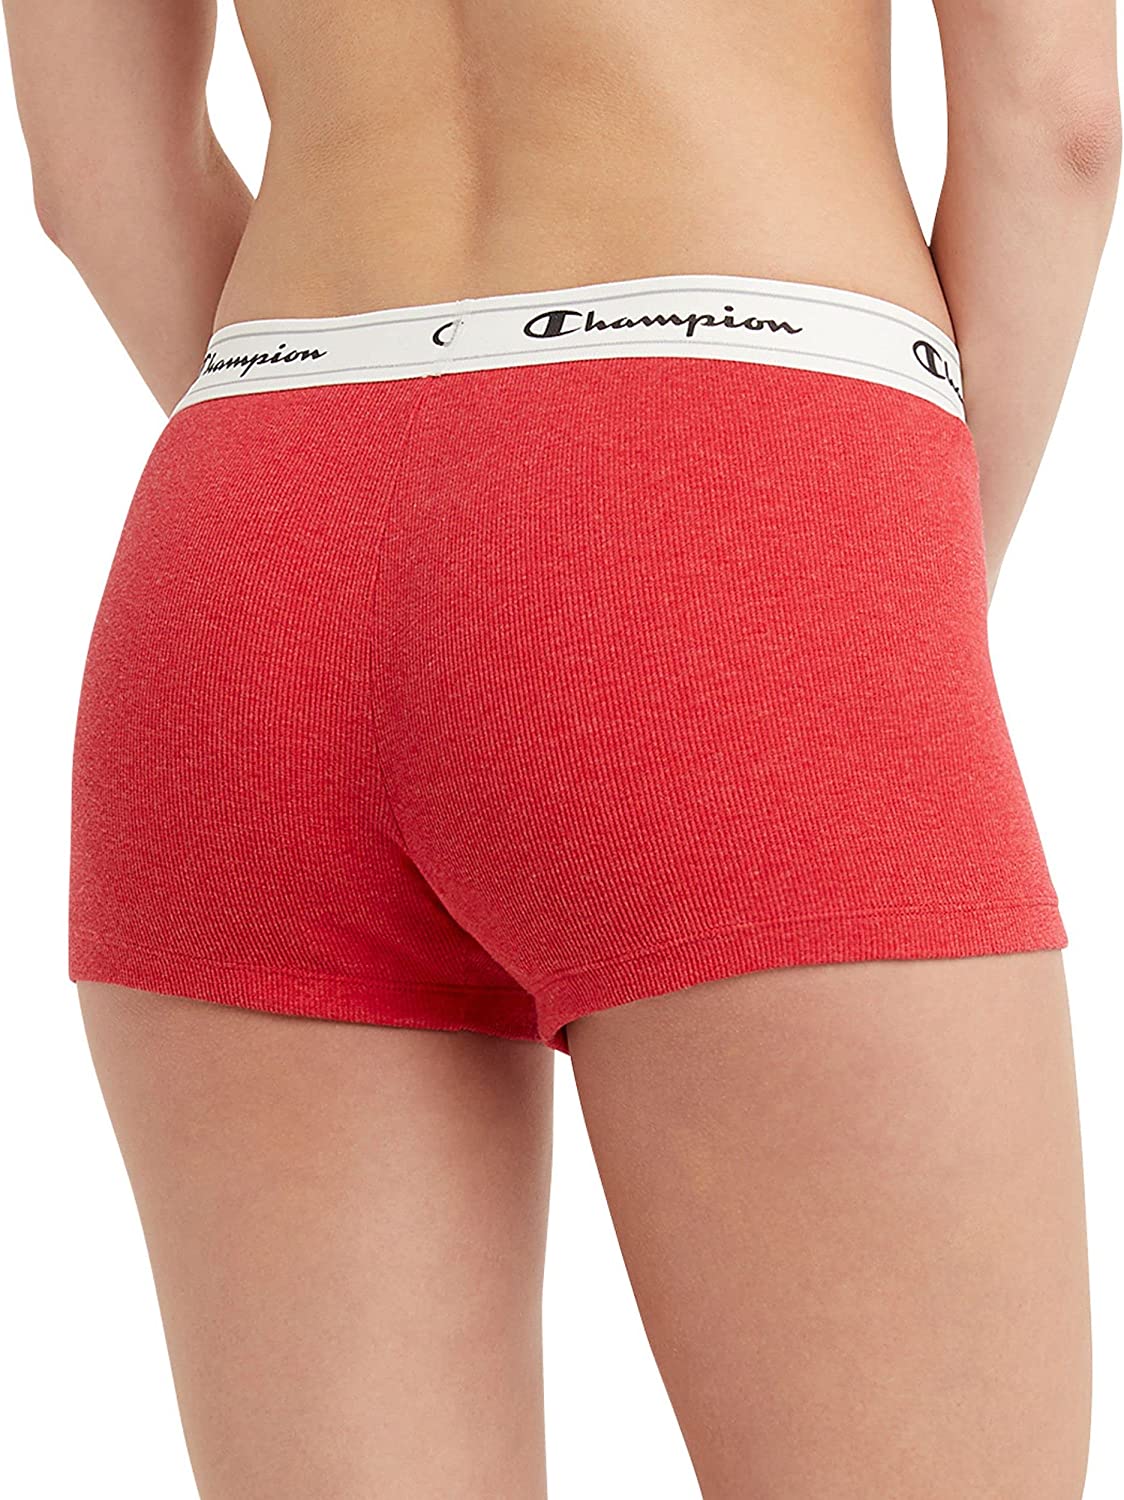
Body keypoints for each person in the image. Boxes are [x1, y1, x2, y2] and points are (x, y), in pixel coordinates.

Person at [4, 0, 1119, 1495]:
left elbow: (94, 177)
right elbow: (1057, 115)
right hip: (731, 472)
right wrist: (861, 595)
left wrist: (342, 493)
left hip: (249, 541)